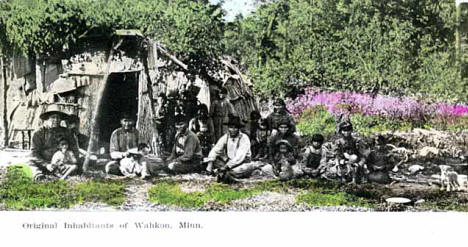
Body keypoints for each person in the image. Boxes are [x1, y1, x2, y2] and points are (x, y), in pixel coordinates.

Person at [28, 104, 78, 181]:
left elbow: (74, 148)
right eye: (53, 117)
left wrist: (68, 158)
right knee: (30, 161)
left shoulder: (66, 132)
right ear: (47, 119)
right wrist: (46, 164)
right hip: (44, 162)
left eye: (58, 117)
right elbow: (34, 153)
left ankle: (61, 172)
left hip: (61, 162)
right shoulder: (38, 133)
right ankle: (38, 174)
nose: (56, 120)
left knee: (77, 164)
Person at [205, 116, 255, 183]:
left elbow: (239, 157)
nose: (233, 130)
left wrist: (226, 166)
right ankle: (222, 173)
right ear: (228, 128)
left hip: (242, 163)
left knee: (236, 171)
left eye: (235, 128)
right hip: (228, 162)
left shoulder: (244, 138)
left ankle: (224, 174)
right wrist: (210, 164)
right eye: (231, 127)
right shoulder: (226, 137)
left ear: (239, 129)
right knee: (213, 161)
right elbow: (216, 150)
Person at [334, 118, 369, 184]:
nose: (346, 132)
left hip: (356, 165)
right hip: (343, 165)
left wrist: (359, 164)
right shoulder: (338, 142)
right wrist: (340, 163)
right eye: (344, 130)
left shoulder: (357, 141)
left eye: (348, 130)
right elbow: (337, 155)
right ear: (341, 131)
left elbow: (364, 156)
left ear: (351, 130)